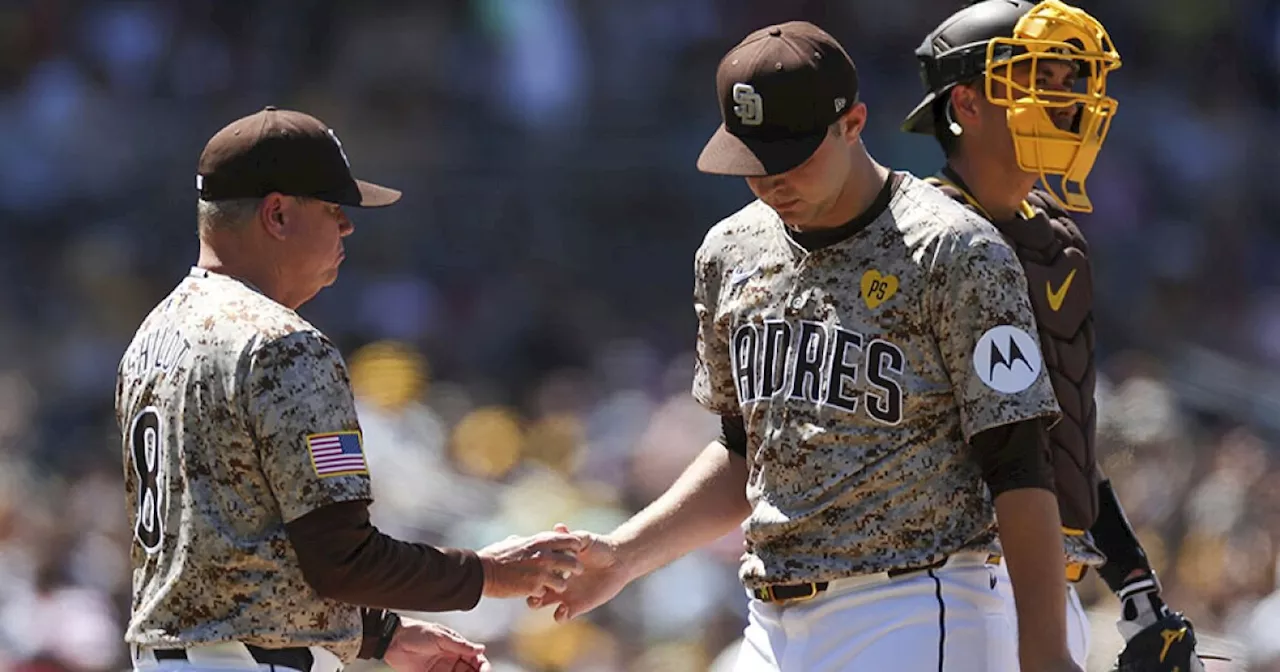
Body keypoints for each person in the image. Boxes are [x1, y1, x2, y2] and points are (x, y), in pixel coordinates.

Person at [530, 21, 1082, 671]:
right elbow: (745, 455)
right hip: (770, 620)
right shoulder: (729, 252)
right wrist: (624, 556)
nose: (771, 179)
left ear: (852, 123)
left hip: (916, 601)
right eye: (754, 160)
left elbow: (1019, 465)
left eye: (792, 155)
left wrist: (1044, 652)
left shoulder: (955, 252)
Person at [116, 106, 586, 672]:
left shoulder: (153, 335)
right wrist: (490, 573)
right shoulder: (283, 342)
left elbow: (229, 553)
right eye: (333, 208)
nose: (348, 226)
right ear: (278, 214)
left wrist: (377, 635)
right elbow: (342, 558)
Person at [900, 1, 1208, 670]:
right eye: (1041, 78)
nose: (1068, 100)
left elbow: (1061, 439)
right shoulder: (918, 241)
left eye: (1074, 81)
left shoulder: (1056, 241)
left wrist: (1134, 587)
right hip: (949, 589)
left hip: (1049, 593)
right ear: (968, 103)